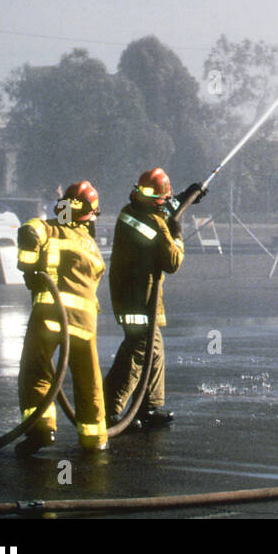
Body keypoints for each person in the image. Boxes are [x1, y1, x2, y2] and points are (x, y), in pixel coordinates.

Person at [103, 169, 204, 430]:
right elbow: (172, 262)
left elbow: (159, 210)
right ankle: (109, 407)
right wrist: (178, 234)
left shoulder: (129, 211)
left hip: (130, 294)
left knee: (153, 349)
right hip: (140, 299)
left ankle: (148, 407)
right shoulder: (158, 224)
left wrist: (184, 197)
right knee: (139, 349)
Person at [15, 181, 108, 456]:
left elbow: (28, 232)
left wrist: (28, 268)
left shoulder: (48, 227)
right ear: (89, 215)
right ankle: (95, 438)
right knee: (88, 379)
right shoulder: (91, 246)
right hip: (84, 323)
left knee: (36, 370)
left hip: (50, 316)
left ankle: (41, 429)